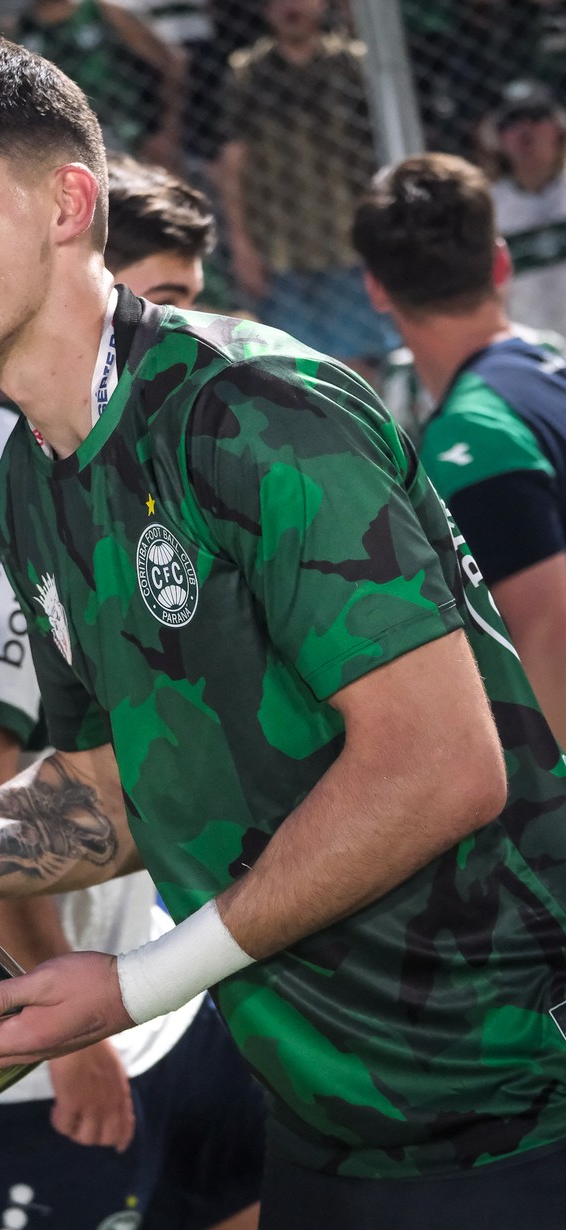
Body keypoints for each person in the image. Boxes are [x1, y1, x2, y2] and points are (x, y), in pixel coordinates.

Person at [0, 36, 566, 1228]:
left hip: (515, 1109)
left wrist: (135, 986)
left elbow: (441, 766)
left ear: (70, 202)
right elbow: (117, 784)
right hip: (332, 1128)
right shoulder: (34, 481)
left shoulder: (255, 408)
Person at [0, 151, 262, 1230]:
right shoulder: (4, 471)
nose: (176, 338)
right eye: (152, 302)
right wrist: (80, 1039)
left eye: (187, 306)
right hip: (59, 1026)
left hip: (118, 994)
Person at [351, 150, 566, 753]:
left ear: (375, 289)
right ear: (500, 262)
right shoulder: (551, 365)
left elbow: (549, 644)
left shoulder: (477, 434)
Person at [212, 0, 391, 379]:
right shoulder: (248, 72)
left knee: (359, 366)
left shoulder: (353, 65)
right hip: (279, 246)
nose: (289, 7)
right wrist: (242, 244)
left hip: (348, 238)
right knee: (294, 371)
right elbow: (234, 159)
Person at [2, 0, 187, 169]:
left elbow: (173, 62)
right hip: (68, 146)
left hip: (138, 136)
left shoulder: (103, 13)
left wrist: (168, 131)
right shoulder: (17, 32)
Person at [482, 80, 566, 338]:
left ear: (558, 127)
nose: (525, 131)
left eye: (537, 118)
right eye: (511, 123)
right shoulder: (487, 208)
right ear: (498, 138)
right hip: (528, 350)